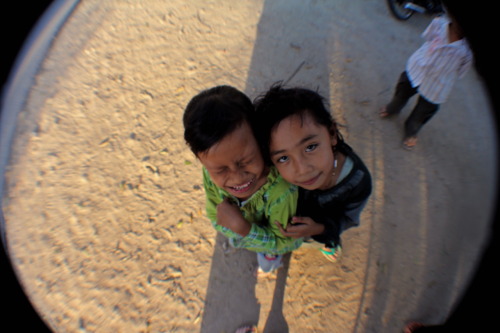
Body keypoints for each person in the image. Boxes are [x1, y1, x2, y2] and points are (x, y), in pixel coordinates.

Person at [183, 85, 302, 273]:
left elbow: (284, 242)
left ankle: (320, 243)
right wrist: (239, 229)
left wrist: (243, 229)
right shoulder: (209, 174)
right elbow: (215, 215)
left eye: (246, 161)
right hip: (250, 233)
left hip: (267, 237)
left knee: (274, 251)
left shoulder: (282, 191)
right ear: (202, 162)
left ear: (260, 139)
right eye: (220, 170)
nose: (237, 178)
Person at [253, 84, 372, 262]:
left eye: (310, 147)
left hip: (320, 228)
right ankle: (276, 248)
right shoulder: (274, 176)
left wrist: (319, 230)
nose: (302, 170)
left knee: (326, 238)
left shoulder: (358, 181)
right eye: (283, 158)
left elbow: (348, 219)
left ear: (332, 134)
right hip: (288, 226)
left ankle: (328, 244)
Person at [380, 12, 473, 150]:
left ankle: (411, 130)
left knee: (422, 112)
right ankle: (393, 107)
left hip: (437, 86)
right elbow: (428, 38)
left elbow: (461, 70)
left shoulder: (467, 50)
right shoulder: (438, 24)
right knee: (402, 92)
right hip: (417, 69)